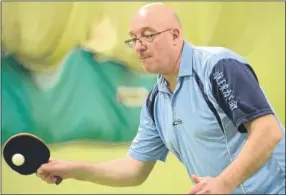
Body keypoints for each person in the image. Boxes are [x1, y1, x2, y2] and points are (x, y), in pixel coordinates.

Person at [36, 3, 285, 194]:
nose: (139, 46)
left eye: (148, 35)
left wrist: (224, 183)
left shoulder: (218, 66)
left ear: (175, 35)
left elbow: (268, 131)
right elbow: (134, 170)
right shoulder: (156, 100)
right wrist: (73, 170)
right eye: (133, 39)